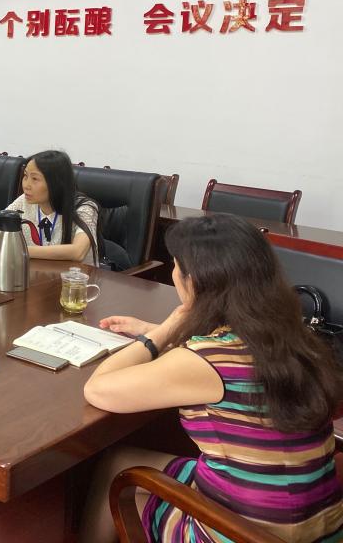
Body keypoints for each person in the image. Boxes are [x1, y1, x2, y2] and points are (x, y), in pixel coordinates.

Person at [80, 214, 343, 543]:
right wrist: (156, 330)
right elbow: (230, 364)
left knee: (116, 466)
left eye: (176, 266)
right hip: (319, 526)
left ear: (195, 281)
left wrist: (162, 333)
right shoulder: (294, 337)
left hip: (243, 533)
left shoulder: (207, 360)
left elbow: (98, 389)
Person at [0, 149, 99, 265]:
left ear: (56, 183)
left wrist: (18, 250)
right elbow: (0, 223)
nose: (26, 185)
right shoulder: (25, 200)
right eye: (25, 176)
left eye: (35, 179)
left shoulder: (85, 207)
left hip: (77, 278)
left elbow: (78, 252)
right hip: (37, 273)